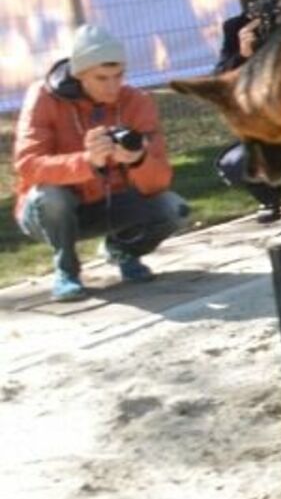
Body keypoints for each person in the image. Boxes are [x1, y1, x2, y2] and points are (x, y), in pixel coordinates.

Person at [13, 25, 190, 302]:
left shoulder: (136, 101)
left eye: (118, 76)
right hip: (51, 210)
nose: (112, 86)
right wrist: (87, 162)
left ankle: (123, 250)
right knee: (51, 197)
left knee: (173, 208)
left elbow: (161, 181)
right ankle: (66, 270)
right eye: (101, 78)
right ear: (78, 75)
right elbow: (28, 164)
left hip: (109, 202)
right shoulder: (43, 98)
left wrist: (138, 160)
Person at [212, 0, 281, 224]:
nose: (272, 17)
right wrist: (243, 57)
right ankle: (270, 200)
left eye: (277, 8)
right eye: (261, 12)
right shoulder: (237, 32)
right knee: (235, 163)